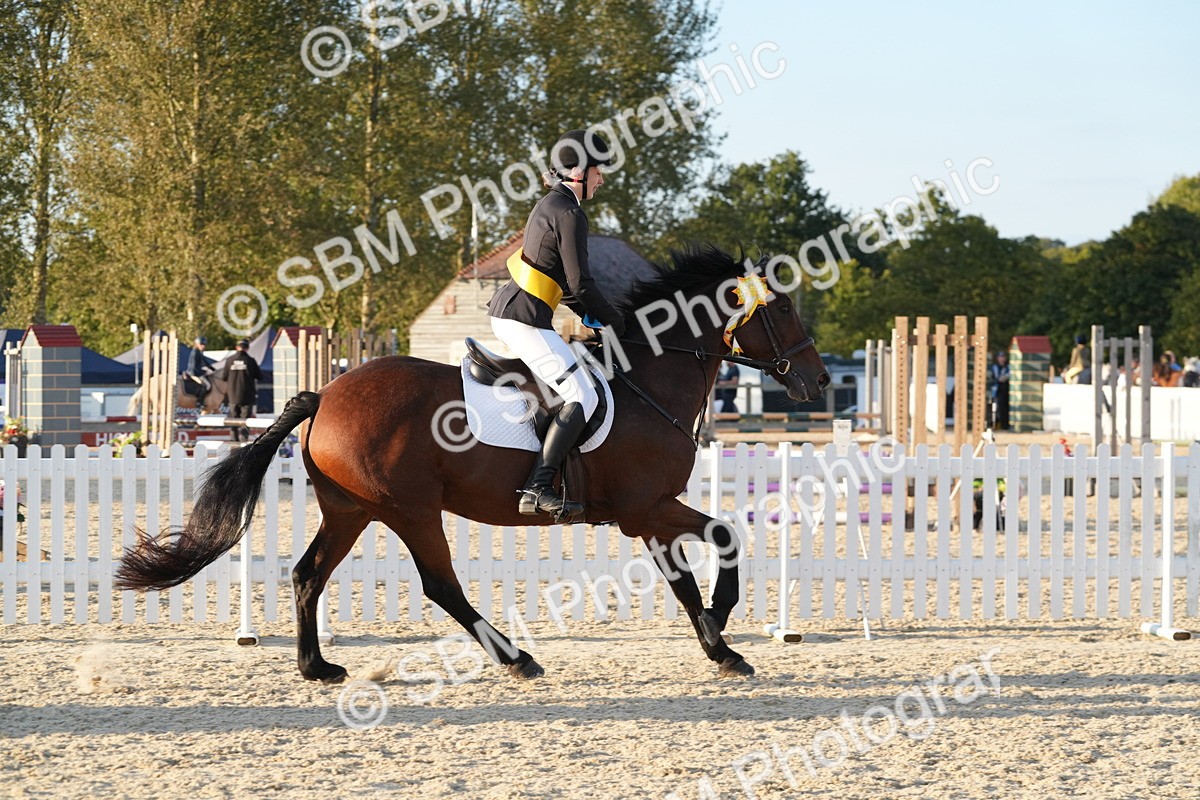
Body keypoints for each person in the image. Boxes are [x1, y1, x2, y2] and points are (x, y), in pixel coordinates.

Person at [487, 129, 626, 517]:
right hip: (523, 320)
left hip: (520, 314)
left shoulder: (553, 204)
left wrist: (597, 319)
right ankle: (538, 486)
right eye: (599, 172)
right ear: (579, 171)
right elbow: (582, 283)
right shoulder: (569, 213)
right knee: (584, 395)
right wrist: (619, 323)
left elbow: (562, 285)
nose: (602, 179)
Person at [220, 338, 263, 443]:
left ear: (236, 347)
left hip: (233, 396)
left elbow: (224, 377)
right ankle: (243, 443)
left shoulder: (229, 360)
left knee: (233, 421)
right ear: (247, 348)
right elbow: (260, 376)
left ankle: (233, 442)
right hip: (247, 397)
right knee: (245, 422)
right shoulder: (251, 361)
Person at [989, 350, 1011, 430]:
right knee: (998, 408)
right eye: (1000, 357)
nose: (1001, 359)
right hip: (998, 390)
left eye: (1003, 357)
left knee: (1006, 408)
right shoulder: (995, 367)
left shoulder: (1008, 367)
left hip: (1007, 389)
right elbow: (994, 378)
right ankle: (1000, 425)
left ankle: (1006, 425)